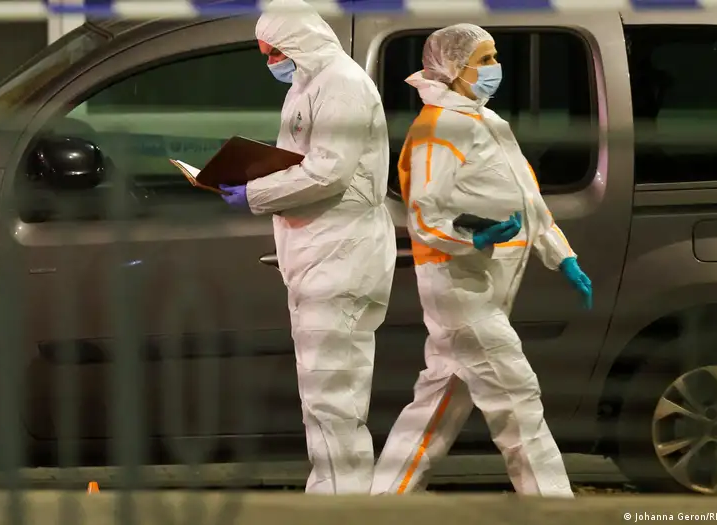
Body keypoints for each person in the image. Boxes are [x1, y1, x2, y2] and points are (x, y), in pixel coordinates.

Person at [369, 23, 592, 497]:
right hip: (458, 286)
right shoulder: (438, 129)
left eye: (494, 57)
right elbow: (424, 215)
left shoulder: (484, 122)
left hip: (486, 284)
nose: (495, 68)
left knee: (437, 404)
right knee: (518, 399)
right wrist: (476, 239)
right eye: (485, 60)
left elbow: (527, 200)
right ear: (452, 69)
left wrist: (561, 254)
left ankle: (380, 504)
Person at [217, 0, 396, 494]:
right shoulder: (309, 85)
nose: (272, 61)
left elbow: (329, 170)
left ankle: (341, 505)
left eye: (275, 51)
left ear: (300, 42)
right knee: (323, 396)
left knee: (333, 396)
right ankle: (332, 499)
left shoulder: (341, 84)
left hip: (343, 258)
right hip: (322, 257)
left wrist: (254, 193)